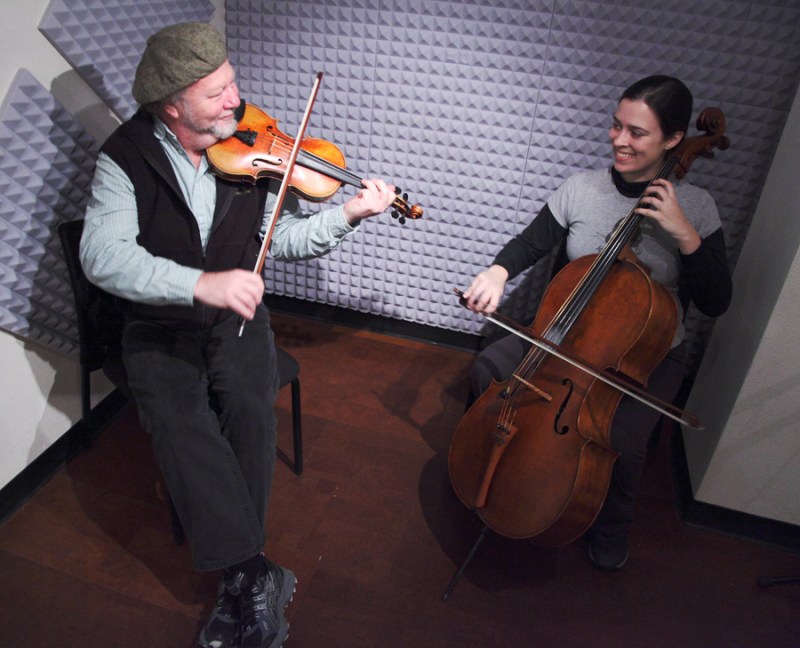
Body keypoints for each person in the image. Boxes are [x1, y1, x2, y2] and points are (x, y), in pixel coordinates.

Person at [79, 22, 397, 648]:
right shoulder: (124, 158)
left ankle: (237, 575)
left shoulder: (250, 150)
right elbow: (102, 256)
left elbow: (282, 240)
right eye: (217, 92)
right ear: (173, 104)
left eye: (233, 84)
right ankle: (253, 573)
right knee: (177, 418)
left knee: (250, 405)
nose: (237, 101)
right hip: (158, 323)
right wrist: (198, 285)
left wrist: (350, 214)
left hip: (237, 319)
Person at [461, 75, 732, 572]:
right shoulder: (581, 189)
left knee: (622, 444)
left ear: (673, 140)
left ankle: (610, 526)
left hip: (643, 353)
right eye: (615, 125)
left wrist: (685, 235)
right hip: (563, 334)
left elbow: (717, 300)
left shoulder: (696, 207)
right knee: (486, 369)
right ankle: (497, 471)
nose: (619, 140)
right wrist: (497, 272)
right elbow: (528, 244)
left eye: (637, 132)